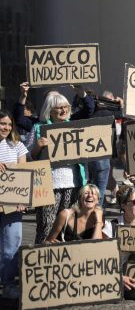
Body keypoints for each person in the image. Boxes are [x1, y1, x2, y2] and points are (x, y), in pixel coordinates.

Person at [28, 89, 93, 243]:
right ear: (50, 111)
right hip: (48, 186)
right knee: (47, 226)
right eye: (59, 107)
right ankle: (42, 261)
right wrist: (37, 147)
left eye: (66, 107)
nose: (64, 110)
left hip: (73, 184)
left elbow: (90, 109)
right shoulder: (39, 128)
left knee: (67, 226)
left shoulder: (74, 127)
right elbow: (27, 158)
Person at [0, 110, 28, 300]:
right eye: (3, 124)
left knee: (12, 243)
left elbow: (24, 173)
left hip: (12, 204)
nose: (7, 128)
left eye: (9, 125)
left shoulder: (17, 145)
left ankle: (8, 283)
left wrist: (23, 199)